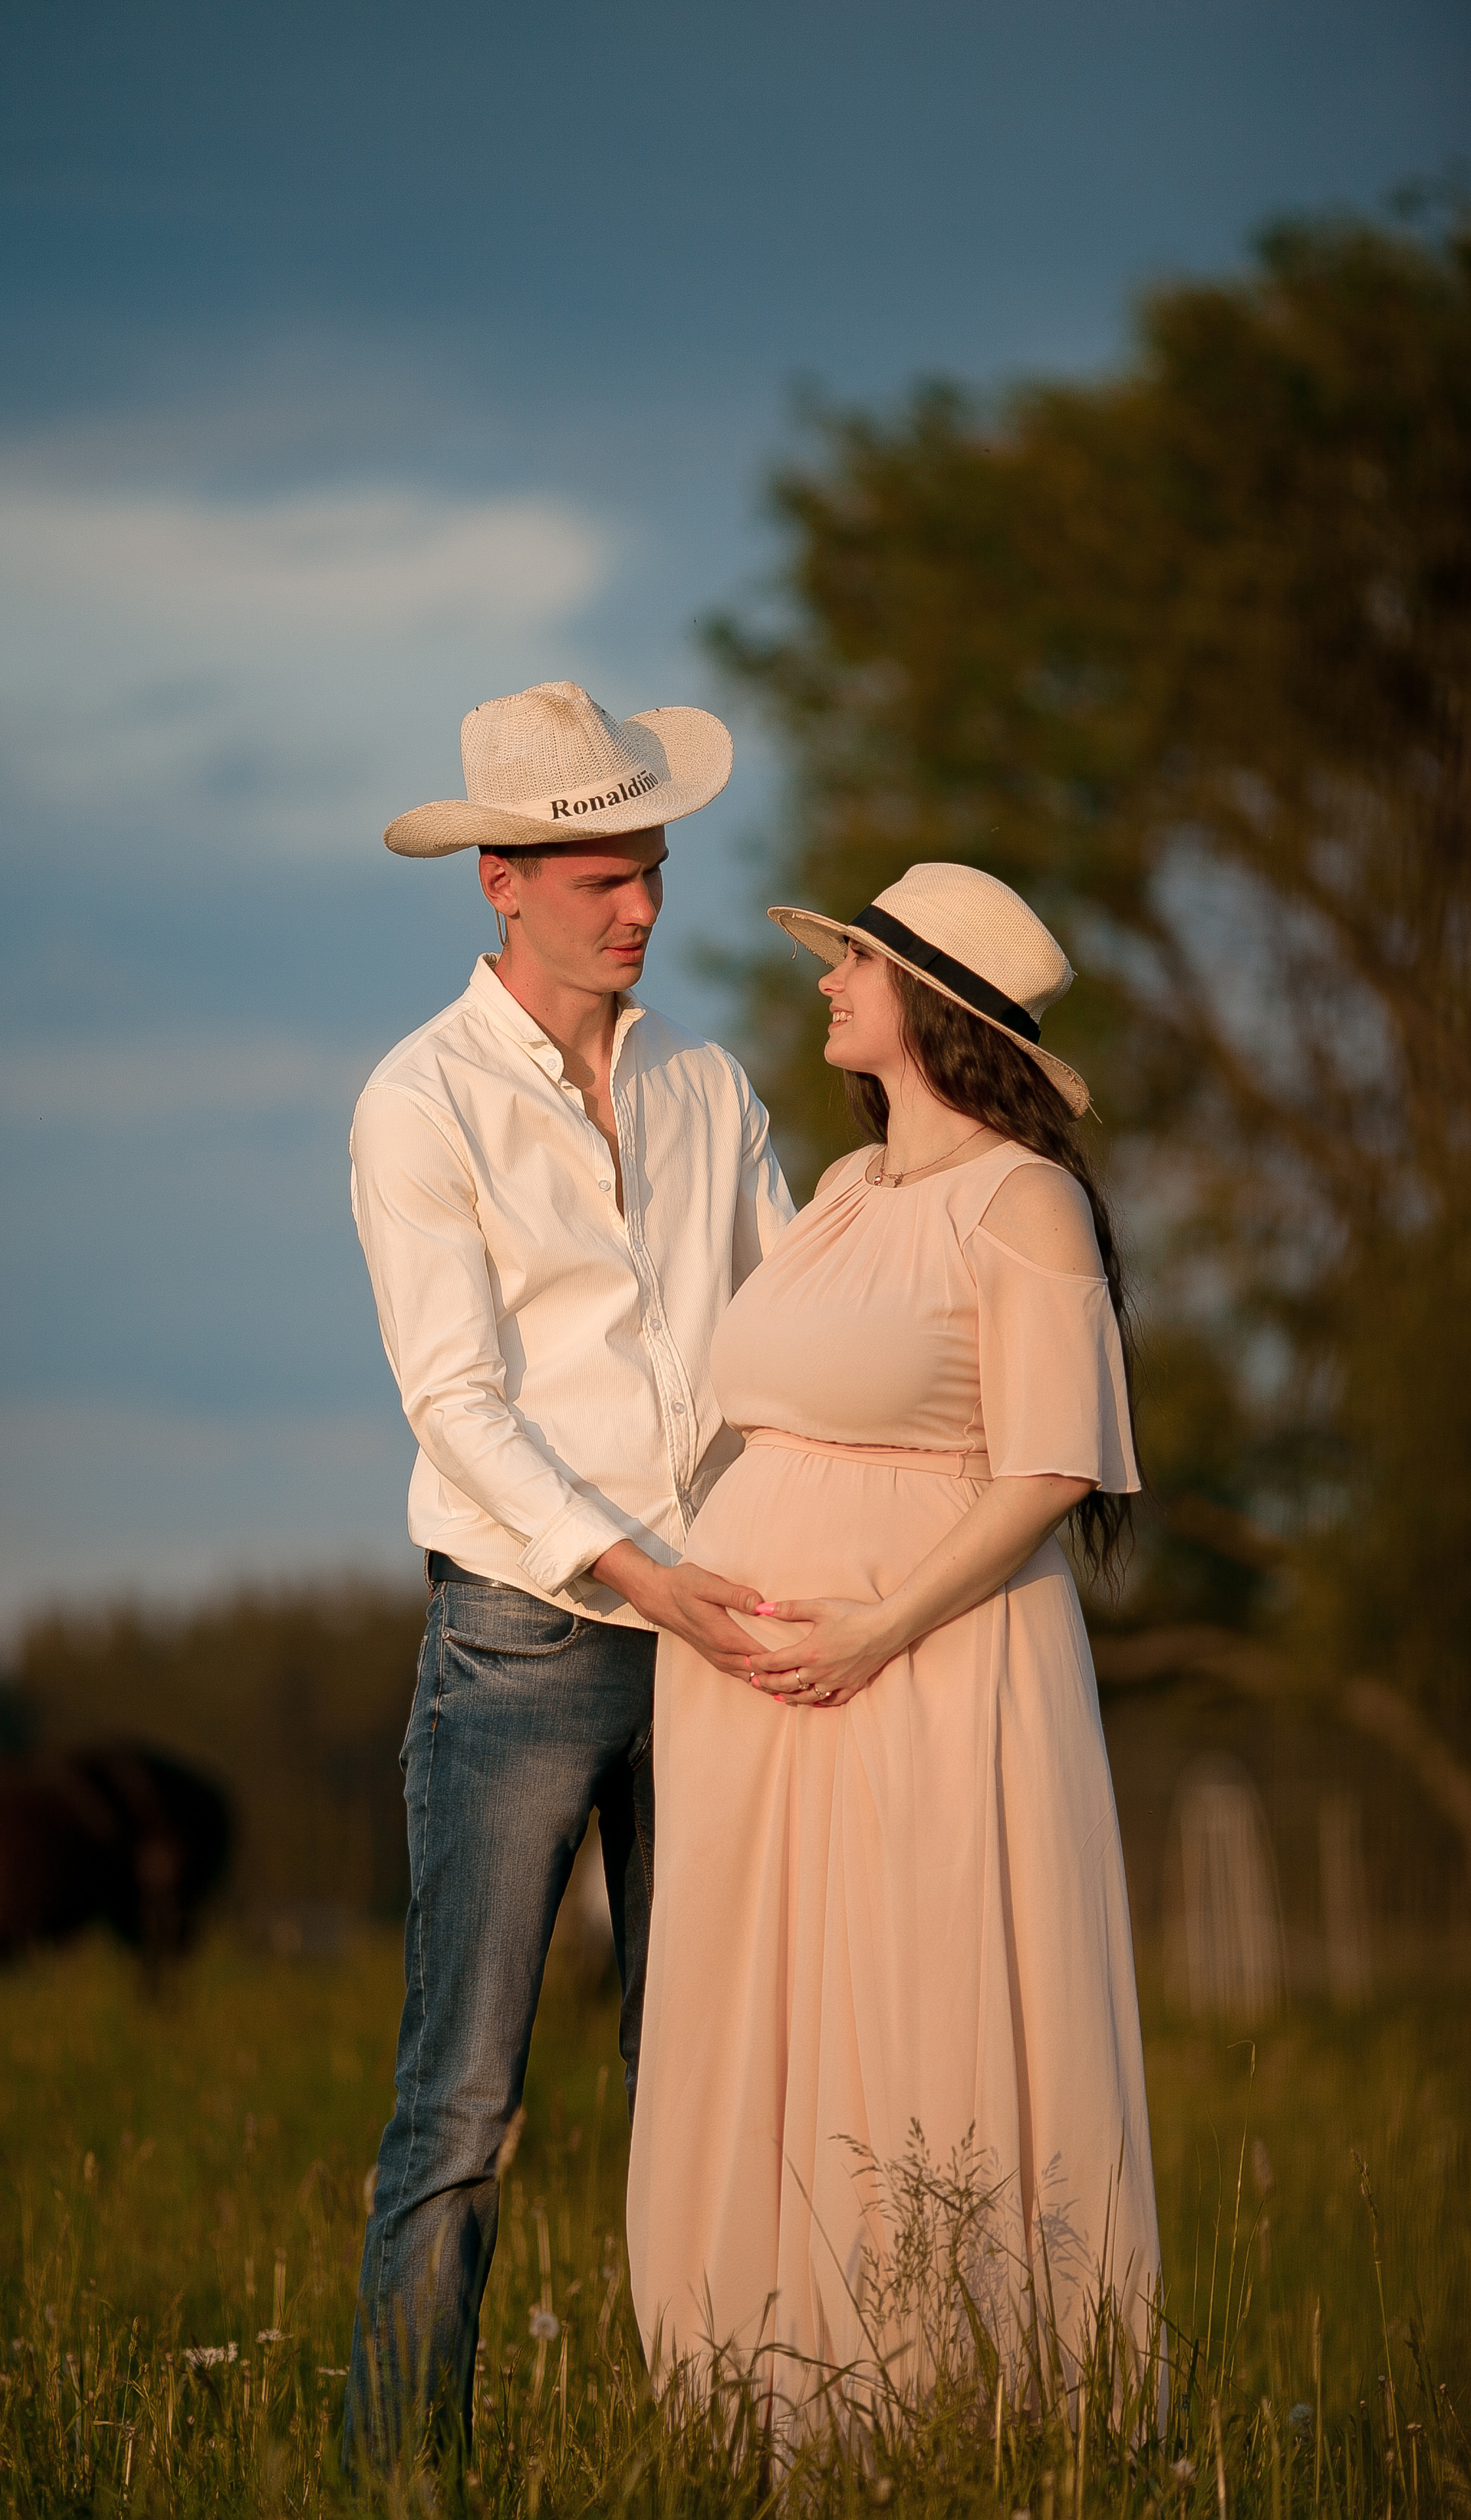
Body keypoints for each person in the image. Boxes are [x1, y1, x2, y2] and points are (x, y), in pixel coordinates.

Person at [626, 862, 1161, 2426]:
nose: (822, 983)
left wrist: (874, 1626)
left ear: (923, 999)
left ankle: (943, 2403)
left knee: (912, 1996)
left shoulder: (1025, 1201)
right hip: (760, 1687)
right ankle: (755, 2396)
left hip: (924, 1666)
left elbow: (1051, 1469)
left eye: (848, 961)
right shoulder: (848, 1196)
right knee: (764, 2009)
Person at [345, 680, 794, 2462]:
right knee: (462, 2105)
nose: (646, 909)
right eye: (608, 875)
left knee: (705, 2094)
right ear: (502, 883)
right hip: (524, 1645)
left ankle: (734, 2454)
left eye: (658, 870)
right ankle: (401, 2483)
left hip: (720, 1632)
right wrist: (643, 1575)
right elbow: (456, 1406)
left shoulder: (708, 1081)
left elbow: (784, 1343)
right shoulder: (420, 1104)